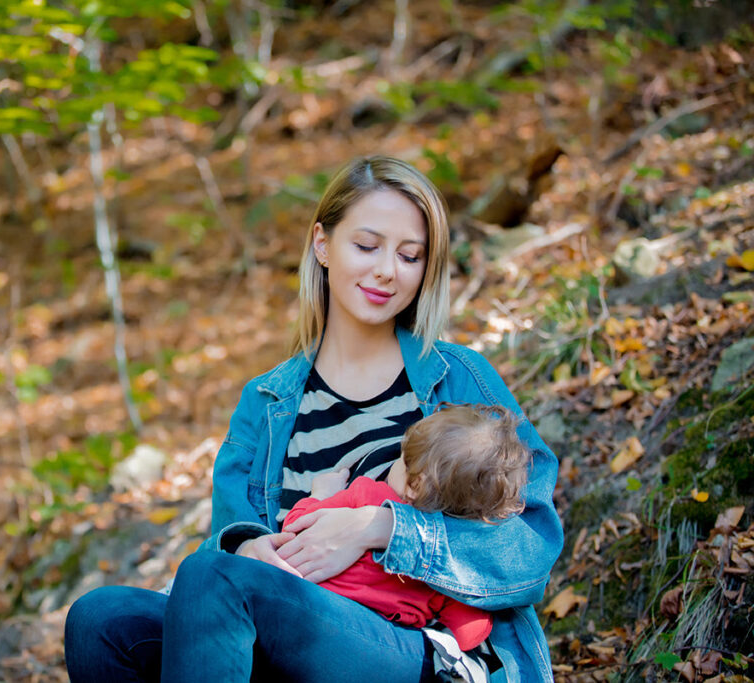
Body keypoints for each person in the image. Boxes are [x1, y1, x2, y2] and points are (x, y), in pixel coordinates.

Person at [64, 156, 563, 683]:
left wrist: (382, 528)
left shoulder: (458, 381)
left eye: (409, 255)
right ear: (322, 245)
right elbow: (226, 548)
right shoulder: (266, 402)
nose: (387, 270)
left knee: (217, 579)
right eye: (366, 246)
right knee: (101, 619)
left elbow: (530, 548)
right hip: (289, 630)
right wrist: (250, 546)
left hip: (410, 646)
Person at [282, 403, 532, 654]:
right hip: (385, 646)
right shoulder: (444, 568)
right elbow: (469, 631)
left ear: (414, 485)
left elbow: (295, 527)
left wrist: (320, 494)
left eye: (400, 459)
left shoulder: (367, 494)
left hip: (314, 613)